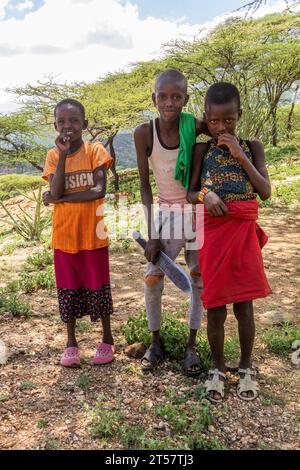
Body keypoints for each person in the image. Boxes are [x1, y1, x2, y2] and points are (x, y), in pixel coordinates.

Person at [188, 82, 272, 402]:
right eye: (214, 121)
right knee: (216, 307)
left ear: (240, 115)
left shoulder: (253, 146)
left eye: (229, 121)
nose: (221, 127)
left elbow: (264, 191)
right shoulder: (202, 150)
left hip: (242, 233)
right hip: (214, 232)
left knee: (244, 305)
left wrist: (240, 153)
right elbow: (190, 191)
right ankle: (218, 369)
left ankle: (246, 366)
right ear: (206, 118)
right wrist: (205, 195)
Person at [134, 68, 208, 376]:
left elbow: (221, 125)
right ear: (154, 99)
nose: (169, 102)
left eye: (176, 96)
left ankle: (191, 346)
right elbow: (145, 185)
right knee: (153, 278)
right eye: (163, 96)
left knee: (198, 279)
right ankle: (155, 341)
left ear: (185, 99)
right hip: (165, 213)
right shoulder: (144, 133)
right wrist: (152, 233)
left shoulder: (195, 125)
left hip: (196, 211)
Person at [42, 98, 115, 368]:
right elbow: (57, 188)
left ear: (84, 124)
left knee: (99, 288)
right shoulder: (52, 156)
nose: (68, 126)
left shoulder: (95, 151)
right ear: (55, 125)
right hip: (64, 238)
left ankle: (107, 339)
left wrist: (59, 200)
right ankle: (71, 343)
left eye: (74, 121)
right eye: (61, 122)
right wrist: (62, 156)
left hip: (93, 236)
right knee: (68, 290)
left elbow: (99, 190)